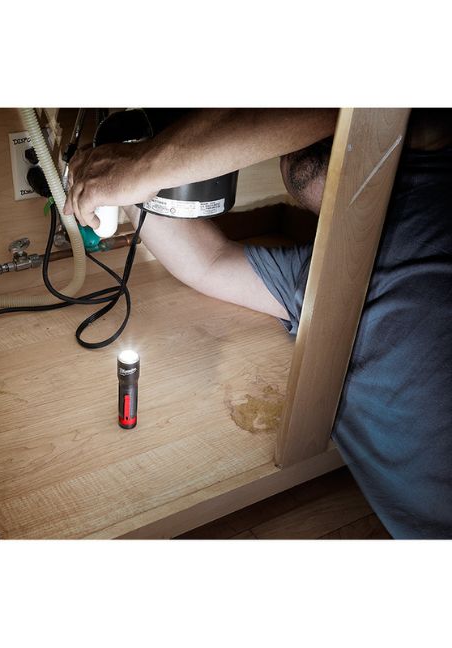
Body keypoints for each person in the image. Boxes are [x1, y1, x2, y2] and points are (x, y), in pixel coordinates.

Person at [63, 108, 452, 539]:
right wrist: (121, 179)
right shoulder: (331, 273)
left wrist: (143, 166)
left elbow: (331, 105)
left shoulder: (432, 194)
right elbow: (208, 263)